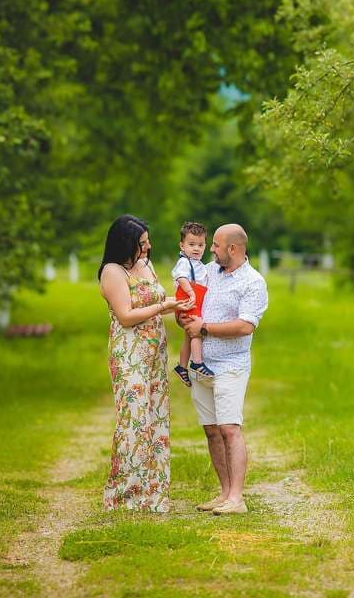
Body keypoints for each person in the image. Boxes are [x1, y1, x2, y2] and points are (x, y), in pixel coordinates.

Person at [98, 214, 194, 512]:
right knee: (134, 420)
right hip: (130, 352)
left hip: (155, 353)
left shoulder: (146, 265)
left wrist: (177, 305)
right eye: (142, 242)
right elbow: (126, 316)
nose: (148, 246)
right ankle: (124, 494)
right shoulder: (113, 271)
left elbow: (157, 302)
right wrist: (162, 306)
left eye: (147, 240)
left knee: (155, 418)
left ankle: (152, 493)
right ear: (125, 243)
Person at [178, 224, 268, 515]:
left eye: (215, 245)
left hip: (231, 365)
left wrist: (204, 328)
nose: (210, 250)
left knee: (230, 428)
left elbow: (245, 326)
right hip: (201, 365)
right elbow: (191, 301)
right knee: (212, 431)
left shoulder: (253, 282)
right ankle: (225, 493)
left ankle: (237, 499)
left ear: (233, 249)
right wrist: (185, 317)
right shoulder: (207, 272)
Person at [170, 221, 214, 387]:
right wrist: (190, 292)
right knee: (196, 331)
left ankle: (182, 367)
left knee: (188, 336)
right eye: (191, 244)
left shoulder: (199, 264)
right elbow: (181, 277)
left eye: (201, 245)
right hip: (189, 300)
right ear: (182, 246)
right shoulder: (184, 262)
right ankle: (197, 363)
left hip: (194, 300)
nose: (196, 248)